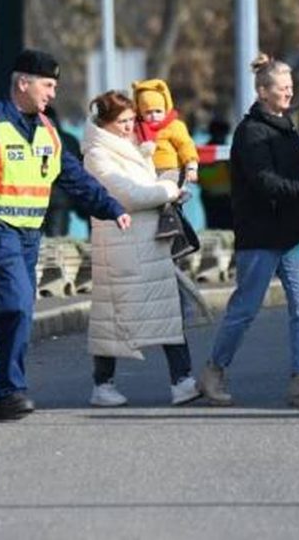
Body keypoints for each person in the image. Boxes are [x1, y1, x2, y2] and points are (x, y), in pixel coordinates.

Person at [0, 49, 131, 422]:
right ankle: (11, 390)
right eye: (47, 85)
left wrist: (111, 207)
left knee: (7, 312)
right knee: (18, 305)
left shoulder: (47, 131)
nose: (53, 93)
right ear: (24, 83)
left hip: (28, 238)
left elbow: (74, 178)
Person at [196, 53, 299, 407]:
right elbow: (265, 182)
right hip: (261, 235)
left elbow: (293, 181)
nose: (289, 93)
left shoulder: (286, 126)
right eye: (282, 87)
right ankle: (213, 372)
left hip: (293, 234)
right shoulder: (250, 133)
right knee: (245, 308)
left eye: (291, 87)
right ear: (263, 92)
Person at [82, 90, 200, 407]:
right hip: (121, 244)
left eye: (131, 120)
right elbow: (128, 195)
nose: (128, 126)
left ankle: (183, 381)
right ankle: (103, 384)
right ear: (104, 123)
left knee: (165, 312)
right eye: (122, 121)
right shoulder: (96, 155)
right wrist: (167, 189)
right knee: (115, 317)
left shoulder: (128, 148)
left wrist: (162, 186)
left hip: (146, 242)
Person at [131, 79, 199, 238]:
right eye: (148, 112)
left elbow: (185, 146)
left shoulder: (174, 126)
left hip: (172, 170)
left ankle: (169, 223)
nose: (154, 116)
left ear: (166, 108)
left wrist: (191, 165)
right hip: (150, 172)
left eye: (158, 111)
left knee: (164, 192)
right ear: (140, 112)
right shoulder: (138, 129)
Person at [42, 106, 87, 237]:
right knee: (57, 242)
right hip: (61, 198)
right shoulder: (69, 140)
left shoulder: (31, 140)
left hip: (38, 198)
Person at [198, 117, 234, 230]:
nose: (222, 137)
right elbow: (200, 177)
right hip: (212, 198)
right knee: (215, 230)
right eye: (220, 133)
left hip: (228, 198)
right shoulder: (206, 152)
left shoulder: (228, 150)